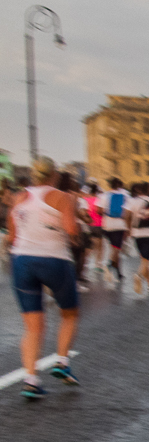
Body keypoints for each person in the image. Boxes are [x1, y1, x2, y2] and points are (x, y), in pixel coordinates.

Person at [4, 159, 82, 399]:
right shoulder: (62, 197)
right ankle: (61, 362)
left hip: (22, 261)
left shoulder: (19, 198)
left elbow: (12, 236)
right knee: (69, 313)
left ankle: (31, 380)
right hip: (54, 259)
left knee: (32, 326)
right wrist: (77, 237)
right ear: (54, 175)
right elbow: (70, 229)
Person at [125, 181, 149, 294]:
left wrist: (129, 229)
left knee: (144, 259)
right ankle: (138, 275)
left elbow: (126, 215)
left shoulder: (132, 201)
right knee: (146, 260)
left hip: (136, 234)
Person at [98, 177, 131, 282]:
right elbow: (128, 213)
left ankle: (119, 273)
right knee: (117, 250)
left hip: (107, 225)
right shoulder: (125, 195)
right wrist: (128, 227)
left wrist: (106, 213)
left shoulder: (104, 195)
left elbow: (99, 210)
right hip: (120, 225)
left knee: (114, 249)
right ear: (120, 185)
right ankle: (109, 266)